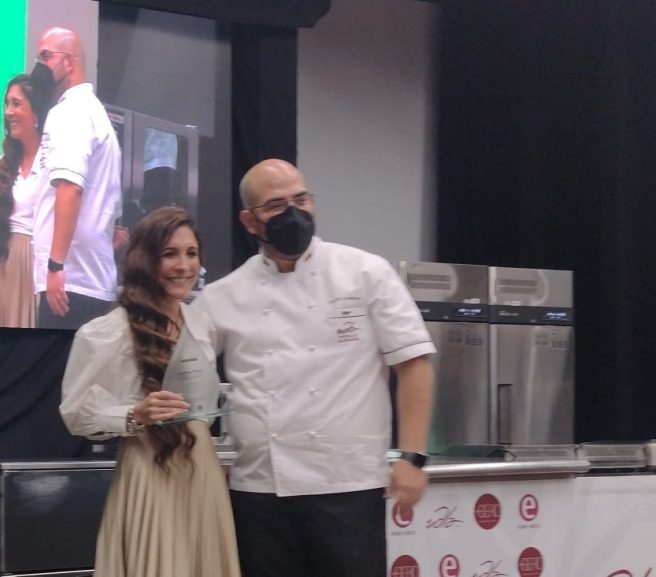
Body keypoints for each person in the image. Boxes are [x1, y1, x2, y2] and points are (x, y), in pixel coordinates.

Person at [192, 159, 436, 577]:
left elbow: (414, 364)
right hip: (260, 490)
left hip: (349, 484)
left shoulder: (365, 272)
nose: (294, 213)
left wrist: (412, 457)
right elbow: (185, 377)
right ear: (249, 221)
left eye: (301, 199)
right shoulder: (222, 295)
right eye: (276, 205)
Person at [60, 206, 241, 577]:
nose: (183, 266)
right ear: (146, 259)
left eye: (191, 253)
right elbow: (75, 413)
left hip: (201, 467)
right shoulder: (110, 331)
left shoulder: (201, 324)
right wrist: (134, 414)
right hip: (149, 469)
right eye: (170, 254)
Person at [30, 26, 122, 329]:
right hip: (86, 279)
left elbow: (70, 187)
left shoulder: (70, 112)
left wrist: (55, 266)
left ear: (69, 62)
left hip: (70, 281)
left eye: (46, 56)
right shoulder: (93, 112)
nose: (39, 66)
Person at [0, 74, 50, 328]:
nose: (8, 112)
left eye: (16, 104)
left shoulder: (52, 164)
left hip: (36, 266)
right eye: (7, 104)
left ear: (36, 113)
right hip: (2, 265)